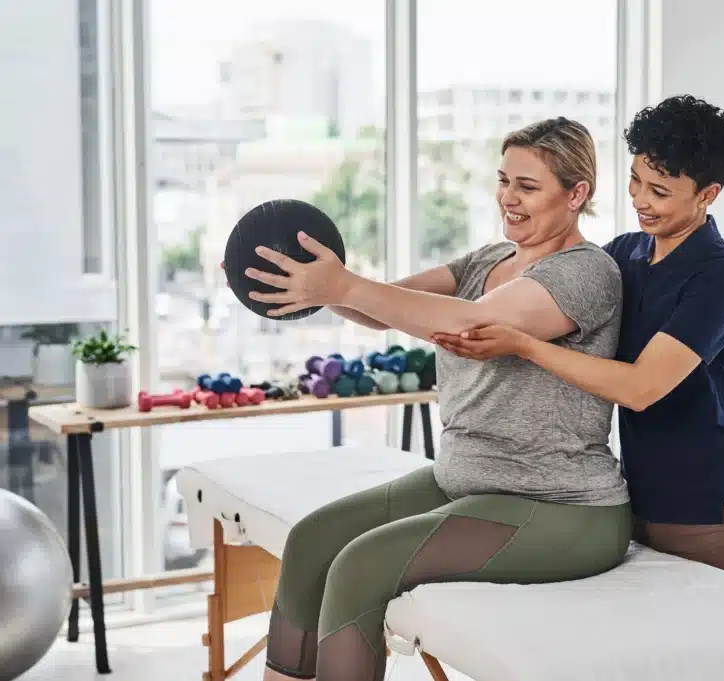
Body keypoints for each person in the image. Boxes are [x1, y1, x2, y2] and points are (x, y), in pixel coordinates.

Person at [239, 117, 633, 681]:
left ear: (577, 195)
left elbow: (474, 324)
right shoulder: (487, 260)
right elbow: (385, 308)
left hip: (561, 507)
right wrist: (304, 287)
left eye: (527, 186)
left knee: (359, 567)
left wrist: (343, 286)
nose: (508, 198)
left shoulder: (588, 272)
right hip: (462, 477)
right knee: (311, 542)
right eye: (503, 180)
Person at [433, 95, 724, 592]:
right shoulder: (626, 253)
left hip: (717, 518)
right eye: (636, 181)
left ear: (708, 195)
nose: (640, 200)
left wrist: (525, 345)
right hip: (639, 505)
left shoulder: (718, 278)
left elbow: (642, 387)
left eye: (659, 192)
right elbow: (559, 289)